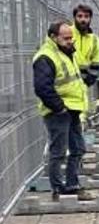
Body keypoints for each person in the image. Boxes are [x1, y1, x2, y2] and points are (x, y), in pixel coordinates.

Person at [33, 20, 94, 200]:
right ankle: (58, 189)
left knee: (77, 148)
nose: (70, 41)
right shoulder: (45, 57)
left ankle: (72, 185)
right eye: (66, 38)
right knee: (58, 151)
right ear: (53, 37)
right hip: (58, 112)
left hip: (71, 110)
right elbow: (42, 88)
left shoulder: (66, 53)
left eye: (71, 38)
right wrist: (59, 108)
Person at [71, 4, 99, 88]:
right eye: (79, 16)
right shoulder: (67, 33)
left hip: (84, 84)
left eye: (86, 16)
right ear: (74, 18)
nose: (83, 19)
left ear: (90, 18)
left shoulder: (95, 40)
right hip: (66, 81)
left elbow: (96, 63)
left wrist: (88, 81)